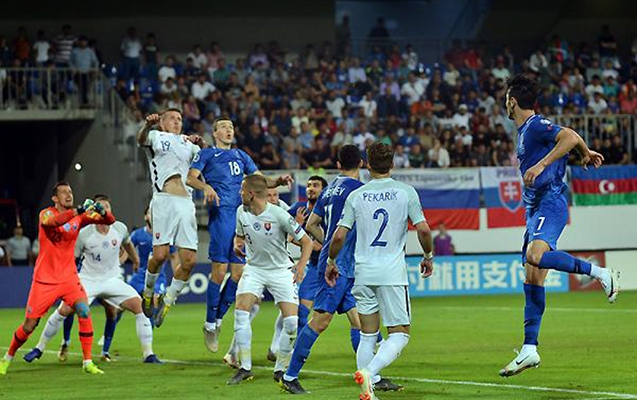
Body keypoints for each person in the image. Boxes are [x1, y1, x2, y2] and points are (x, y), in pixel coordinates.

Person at [498, 74, 620, 377]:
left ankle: (599, 272)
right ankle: (529, 349)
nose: (504, 102)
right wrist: (585, 152)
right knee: (533, 278)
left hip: (549, 203)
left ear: (512, 101)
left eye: (506, 98)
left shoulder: (536, 125)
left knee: (534, 256)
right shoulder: (527, 130)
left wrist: (542, 164)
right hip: (534, 208)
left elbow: (568, 134)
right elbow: (574, 139)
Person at [328, 142, 434, 400]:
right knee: (400, 334)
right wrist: (428, 255)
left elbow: (339, 235)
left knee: (367, 334)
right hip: (391, 274)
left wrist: (331, 261)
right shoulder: (405, 192)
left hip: (363, 272)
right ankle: (369, 372)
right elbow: (423, 230)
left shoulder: (357, 196)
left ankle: (368, 387)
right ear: (393, 164)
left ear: (367, 164)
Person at [187, 117, 293, 352]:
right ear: (215, 133)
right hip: (222, 214)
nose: (229, 130)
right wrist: (206, 187)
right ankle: (209, 323)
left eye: (232, 127)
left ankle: (218, 320)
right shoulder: (206, 154)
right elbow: (190, 177)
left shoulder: (241, 156)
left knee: (237, 274)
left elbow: (258, 181)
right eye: (224, 127)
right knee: (219, 270)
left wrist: (277, 181)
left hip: (242, 215)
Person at [23, 195, 161, 364]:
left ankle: (149, 354)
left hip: (112, 280)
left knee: (140, 308)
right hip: (88, 280)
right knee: (63, 311)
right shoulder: (84, 233)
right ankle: (39, 347)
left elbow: (127, 243)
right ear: (93, 213)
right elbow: (71, 258)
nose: (104, 210)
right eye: (99, 207)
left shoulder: (120, 228)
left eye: (107, 207)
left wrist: (136, 260)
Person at [0, 182, 114, 375]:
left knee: (84, 310)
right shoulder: (46, 213)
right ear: (55, 198)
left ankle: (87, 363)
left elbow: (109, 222)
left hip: (69, 278)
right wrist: (78, 210)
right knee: (29, 326)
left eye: (70, 191)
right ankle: (7, 358)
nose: (68, 195)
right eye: (63, 192)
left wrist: (102, 212)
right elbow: (52, 223)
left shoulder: (80, 218)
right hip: (45, 280)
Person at [227, 175, 313, 385]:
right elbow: (239, 237)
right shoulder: (241, 213)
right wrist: (237, 245)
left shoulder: (279, 215)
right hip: (254, 269)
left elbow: (307, 242)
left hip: (280, 270)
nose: (240, 194)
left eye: (242, 190)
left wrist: (300, 266)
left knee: (292, 323)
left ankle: (280, 369)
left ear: (251, 194)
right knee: (241, 312)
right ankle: (245, 367)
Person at [137, 108, 204, 327]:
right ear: (163, 123)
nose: (177, 122)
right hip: (163, 200)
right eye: (172, 118)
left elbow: (203, 160)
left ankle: (167, 300)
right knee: (160, 256)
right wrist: (148, 125)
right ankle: (148, 293)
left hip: (186, 203)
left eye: (180, 119)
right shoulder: (156, 136)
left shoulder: (188, 144)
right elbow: (141, 140)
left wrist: (201, 144)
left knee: (190, 261)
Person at [265, 176, 327, 363]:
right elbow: (286, 236)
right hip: (315, 268)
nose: (310, 188)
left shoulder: (327, 210)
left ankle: (377, 341)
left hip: (334, 266)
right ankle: (294, 352)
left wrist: (311, 243)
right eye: (308, 185)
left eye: (315, 186)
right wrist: (299, 228)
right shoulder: (297, 209)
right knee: (300, 312)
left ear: (324, 190)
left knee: (355, 313)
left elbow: (323, 243)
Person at [128, 205, 180, 309]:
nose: (152, 216)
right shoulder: (137, 234)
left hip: (158, 277)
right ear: (145, 217)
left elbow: (174, 257)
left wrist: (177, 279)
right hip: (139, 276)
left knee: (153, 302)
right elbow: (126, 250)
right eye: (150, 213)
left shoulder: (166, 236)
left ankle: (151, 320)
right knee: (120, 305)